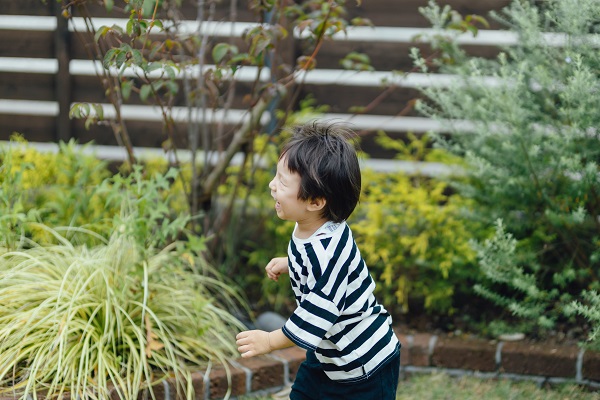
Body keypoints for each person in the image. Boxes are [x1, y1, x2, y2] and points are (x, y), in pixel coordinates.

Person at [236, 122, 401, 400]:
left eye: (282, 182)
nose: (271, 185)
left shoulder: (327, 253)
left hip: (363, 364)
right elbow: (319, 260)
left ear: (315, 201)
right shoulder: (317, 226)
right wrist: (291, 262)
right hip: (328, 355)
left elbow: (315, 314)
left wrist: (269, 340)